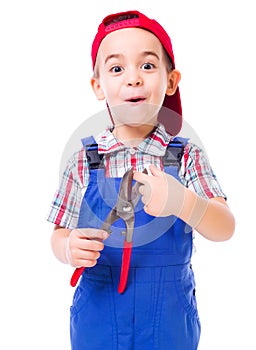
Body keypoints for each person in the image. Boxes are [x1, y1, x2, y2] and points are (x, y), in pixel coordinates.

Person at [47, 10, 235, 350]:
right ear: (98, 86)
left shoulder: (186, 155)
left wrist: (183, 202)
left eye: (147, 66)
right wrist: (67, 247)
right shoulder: (82, 160)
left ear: (172, 80)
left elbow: (225, 227)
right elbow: (58, 234)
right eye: (117, 68)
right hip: (97, 317)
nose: (133, 78)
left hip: (170, 320)